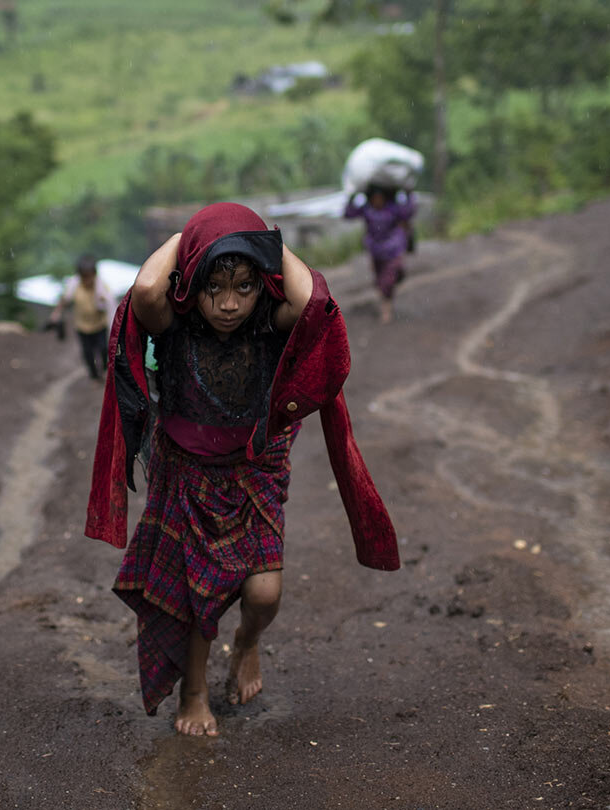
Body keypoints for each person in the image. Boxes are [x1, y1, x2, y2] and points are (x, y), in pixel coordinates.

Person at [85, 202, 399, 736]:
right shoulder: (175, 325)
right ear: (191, 284)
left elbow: (311, 301)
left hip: (255, 470)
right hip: (185, 472)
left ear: (263, 285)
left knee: (263, 594)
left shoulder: (269, 326)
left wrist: (262, 239)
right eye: (214, 287)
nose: (228, 304)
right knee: (196, 594)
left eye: (244, 286)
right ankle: (194, 691)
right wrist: (192, 234)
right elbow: (143, 292)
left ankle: (248, 643)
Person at [344, 184, 417, 323]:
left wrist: (409, 195)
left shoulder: (393, 209)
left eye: (380, 198)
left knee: (387, 281)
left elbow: (409, 212)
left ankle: (385, 311)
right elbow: (348, 213)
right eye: (374, 198)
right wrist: (352, 197)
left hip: (393, 250)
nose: (377, 201)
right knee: (380, 281)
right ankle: (387, 299)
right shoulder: (367, 210)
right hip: (376, 252)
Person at [48, 254, 114, 380]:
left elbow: (111, 304)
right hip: (82, 326)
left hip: (99, 324)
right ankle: (94, 376)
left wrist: (103, 302)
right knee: (88, 353)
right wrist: (56, 313)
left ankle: (105, 370)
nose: (87, 280)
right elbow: (65, 300)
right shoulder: (74, 285)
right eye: (84, 277)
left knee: (103, 348)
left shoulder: (101, 286)